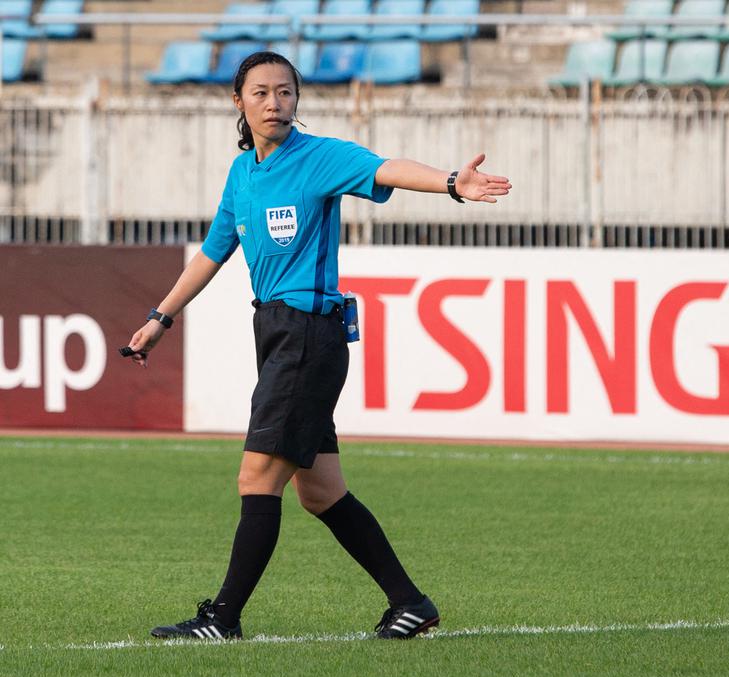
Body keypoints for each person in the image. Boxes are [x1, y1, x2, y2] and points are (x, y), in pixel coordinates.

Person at [126, 51, 511, 641]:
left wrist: (453, 183)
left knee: (257, 478)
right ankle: (410, 603)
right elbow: (212, 252)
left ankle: (222, 620)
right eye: (260, 92)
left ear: (297, 100)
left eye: (285, 91)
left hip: (308, 335)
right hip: (277, 333)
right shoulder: (242, 174)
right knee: (321, 491)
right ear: (238, 102)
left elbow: (386, 169)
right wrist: (161, 317)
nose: (274, 102)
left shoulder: (319, 156)